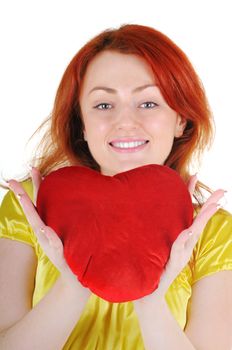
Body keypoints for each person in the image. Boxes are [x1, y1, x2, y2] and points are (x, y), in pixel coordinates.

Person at [0, 23, 231, 349]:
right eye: (104, 105)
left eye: (148, 103)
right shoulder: (31, 208)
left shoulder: (211, 232)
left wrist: (151, 298)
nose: (125, 121)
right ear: (80, 122)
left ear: (181, 119)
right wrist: (72, 285)